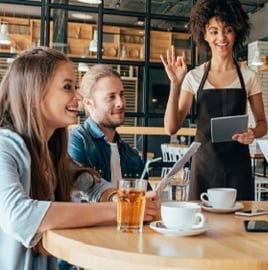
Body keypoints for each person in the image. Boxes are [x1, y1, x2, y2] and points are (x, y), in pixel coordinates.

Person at [0, 47, 159, 270]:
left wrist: (116, 197)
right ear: (35, 92)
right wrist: (122, 210)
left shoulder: (49, 149)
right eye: (67, 87)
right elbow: (19, 215)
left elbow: (89, 183)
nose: (78, 97)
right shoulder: (4, 145)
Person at [161, 0, 267, 200]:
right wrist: (175, 84)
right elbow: (171, 128)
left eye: (227, 30)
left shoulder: (249, 76)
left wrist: (252, 132)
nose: (221, 37)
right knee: (202, 227)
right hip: (204, 167)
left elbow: (263, 124)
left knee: (238, 228)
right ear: (205, 35)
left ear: (236, 32)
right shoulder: (194, 77)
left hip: (238, 167)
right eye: (214, 31)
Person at [69, 64, 144, 184]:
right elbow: (78, 194)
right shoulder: (77, 140)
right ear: (88, 103)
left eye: (122, 95)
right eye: (111, 97)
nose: (120, 103)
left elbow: (146, 196)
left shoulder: (130, 154)